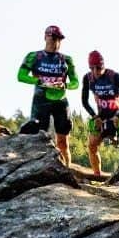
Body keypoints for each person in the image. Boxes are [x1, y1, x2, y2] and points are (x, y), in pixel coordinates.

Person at [17, 24, 79, 166]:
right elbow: (20, 76)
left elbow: (76, 82)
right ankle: (35, 168)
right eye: (53, 38)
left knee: (63, 141)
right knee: (38, 138)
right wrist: (38, 80)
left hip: (61, 101)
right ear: (45, 37)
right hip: (41, 101)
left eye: (59, 39)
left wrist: (65, 85)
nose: (56, 42)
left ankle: (67, 170)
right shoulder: (34, 56)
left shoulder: (66, 59)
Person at [81, 49, 119, 176]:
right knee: (92, 144)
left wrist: (118, 114)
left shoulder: (113, 76)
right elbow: (84, 101)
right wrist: (94, 116)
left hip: (118, 115)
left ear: (103, 65)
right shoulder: (87, 78)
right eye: (92, 68)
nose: (95, 72)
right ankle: (97, 174)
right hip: (101, 116)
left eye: (98, 68)